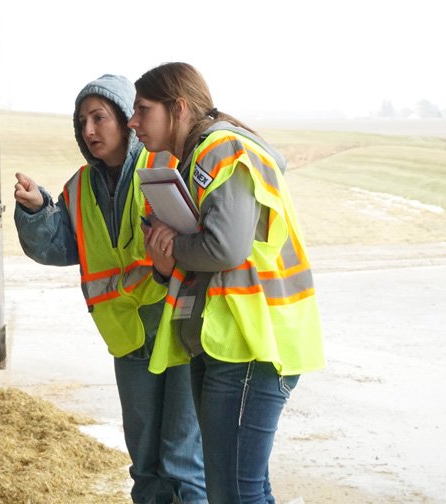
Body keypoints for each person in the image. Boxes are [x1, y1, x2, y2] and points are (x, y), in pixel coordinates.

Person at [128, 62, 325, 504]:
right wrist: (166, 257)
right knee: (240, 488)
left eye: (143, 109)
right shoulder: (197, 155)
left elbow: (224, 249)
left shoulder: (221, 149)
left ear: (177, 108)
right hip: (227, 343)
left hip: (250, 346)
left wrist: (174, 245)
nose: (133, 122)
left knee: (235, 492)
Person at [13, 73, 208, 504]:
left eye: (99, 118)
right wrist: (37, 209)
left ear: (125, 120)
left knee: (182, 464)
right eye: (82, 121)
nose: (89, 130)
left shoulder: (167, 167)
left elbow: (205, 245)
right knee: (144, 467)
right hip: (127, 339)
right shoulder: (79, 186)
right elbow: (60, 247)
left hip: (177, 332)